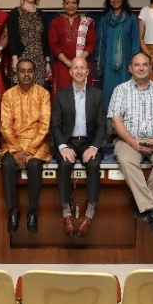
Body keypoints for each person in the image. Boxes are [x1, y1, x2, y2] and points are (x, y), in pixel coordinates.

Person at [108, 51, 153, 233]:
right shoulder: (120, 90)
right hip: (128, 139)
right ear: (130, 69)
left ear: (150, 67)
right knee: (125, 160)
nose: (141, 68)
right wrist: (131, 141)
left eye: (144, 64)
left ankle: (147, 209)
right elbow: (116, 120)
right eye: (137, 65)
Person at [51, 57, 106, 237]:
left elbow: (101, 126)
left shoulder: (97, 95)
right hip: (68, 142)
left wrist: (95, 148)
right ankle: (66, 212)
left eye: (83, 68)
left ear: (88, 72)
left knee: (94, 164)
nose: (80, 71)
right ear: (70, 71)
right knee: (65, 164)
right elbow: (55, 126)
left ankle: (89, 214)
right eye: (76, 68)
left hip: (89, 142)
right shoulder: (60, 95)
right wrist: (62, 147)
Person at [0, 58, 51, 234]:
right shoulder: (8, 95)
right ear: (16, 74)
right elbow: (5, 126)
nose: (26, 74)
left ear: (35, 74)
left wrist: (29, 150)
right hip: (13, 143)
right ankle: (13, 211)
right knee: (6, 165)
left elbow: (45, 126)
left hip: (37, 143)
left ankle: (33, 212)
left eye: (30, 71)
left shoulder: (43, 94)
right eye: (22, 71)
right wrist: (15, 150)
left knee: (35, 165)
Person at [95, 0, 140, 111]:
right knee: (109, 96)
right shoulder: (105, 19)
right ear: (109, 0)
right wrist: (100, 63)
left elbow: (135, 41)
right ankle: (110, 129)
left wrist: (134, 65)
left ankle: (126, 128)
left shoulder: (131, 18)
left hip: (126, 66)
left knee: (127, 97)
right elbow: (100, 43)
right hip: (108, 66)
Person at [48, 0, 96, 96]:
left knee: (83, 96)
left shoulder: (86, 22)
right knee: (63, 96)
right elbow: (54, 45)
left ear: (78, 4)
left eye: (73, 3)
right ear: (63, 5)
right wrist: (68, 63)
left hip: (82, 66)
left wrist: (78, 62)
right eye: (67, 3)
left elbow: (91, 44)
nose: (70, 6)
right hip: (62, 66)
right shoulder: (55, 23)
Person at [7, 0, 52, 88]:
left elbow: (45, 41)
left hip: (39, 61)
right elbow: (12, 38)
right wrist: (14, 59)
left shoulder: (42, 15)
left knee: (37, 95)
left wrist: (47, 62)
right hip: (21, 59)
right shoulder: (15, 13)